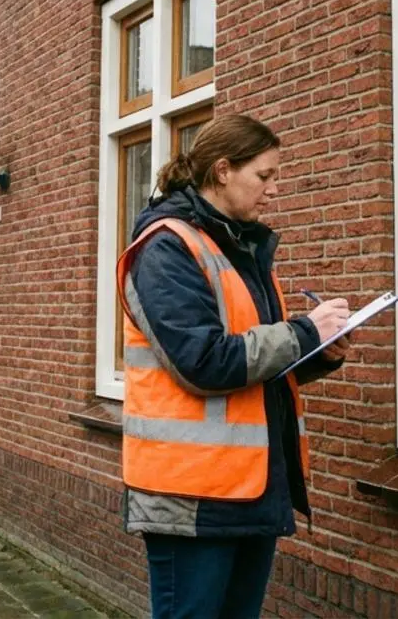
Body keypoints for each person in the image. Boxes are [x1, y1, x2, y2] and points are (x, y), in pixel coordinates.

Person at [116, 114, 352, 619]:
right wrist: (305, 330)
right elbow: (202, 360)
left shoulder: (240, 246)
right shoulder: (166, 248)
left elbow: (254, 361)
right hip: (191, 499)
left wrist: (317, 353)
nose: (272, 190)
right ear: (223, 170)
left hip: (251, 487)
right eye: (263, 176)